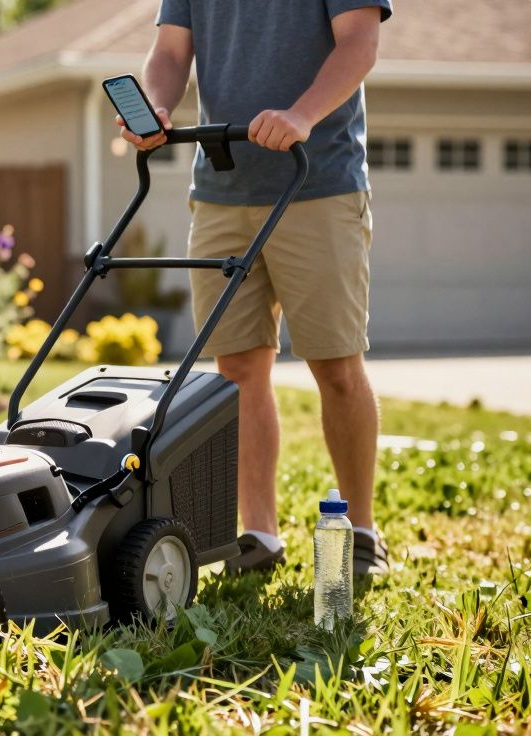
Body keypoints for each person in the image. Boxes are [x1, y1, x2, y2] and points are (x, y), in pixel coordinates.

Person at [118, 0, 392, 574]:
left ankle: (362, 531)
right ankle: (259, 534)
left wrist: (302, 114)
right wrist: (157, 108)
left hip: (316, 183)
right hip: (221, 189)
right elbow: (170, 52)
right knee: (238, 373)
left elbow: (359, 44)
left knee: (336, 366)